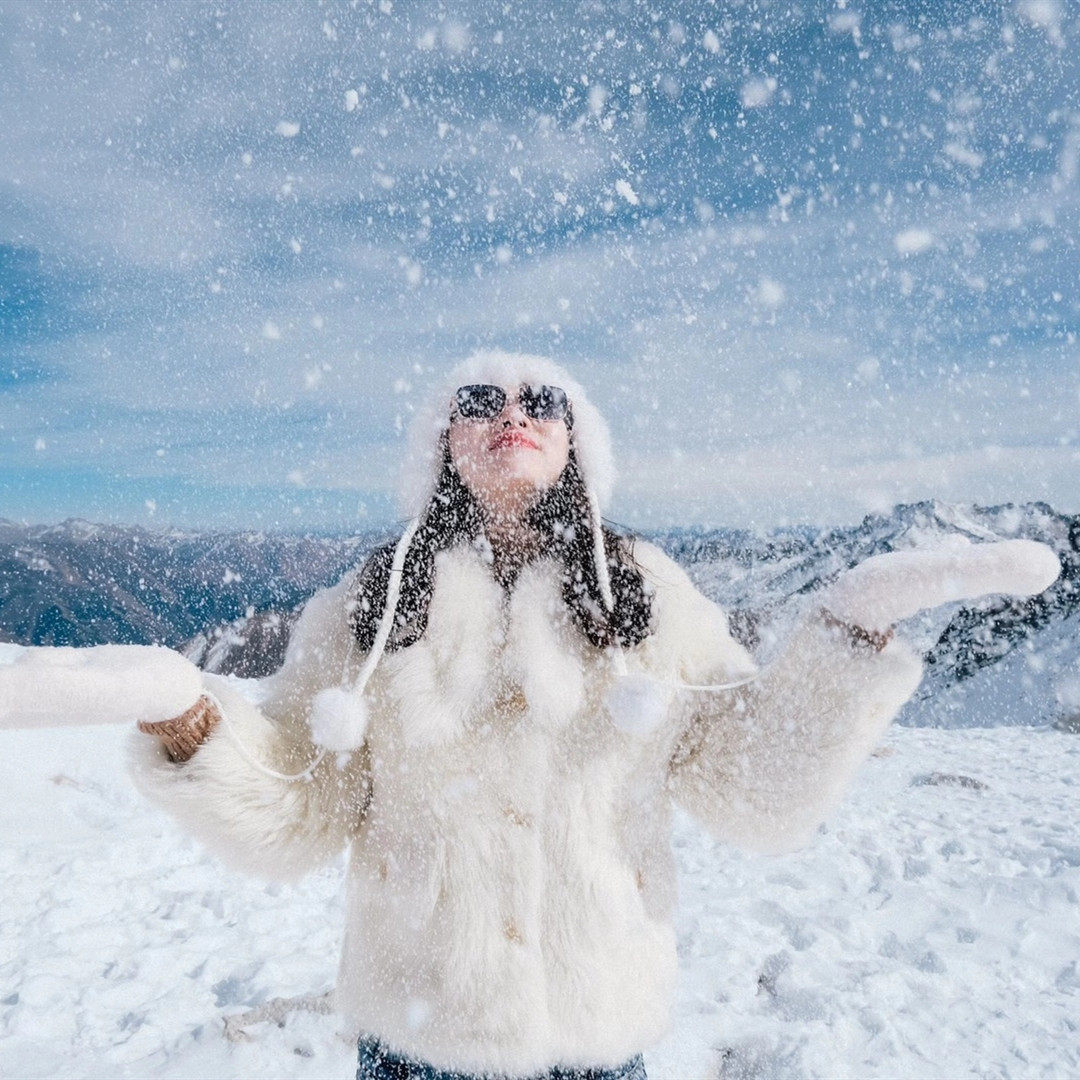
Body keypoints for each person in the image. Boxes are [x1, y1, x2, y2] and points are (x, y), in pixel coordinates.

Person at [130, 350, 1059, 1080]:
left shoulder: (650, 597)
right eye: (481, 400)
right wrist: (192, 732)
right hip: (419, 1037)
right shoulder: (364, 610)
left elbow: (754, 791)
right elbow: (302, 810)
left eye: (543, 403)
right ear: (440, 440)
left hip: (597, 1037)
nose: (512, 417)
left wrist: (848, 637)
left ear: (578, 444)